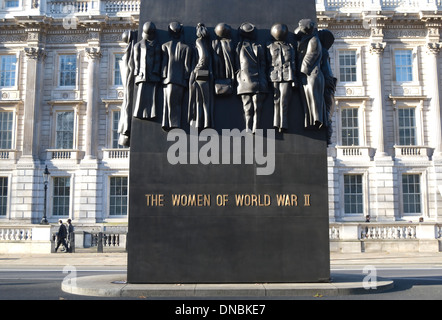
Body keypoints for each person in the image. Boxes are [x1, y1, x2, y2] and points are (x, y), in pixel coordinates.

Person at [236, 22, 268, 133]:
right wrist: (238, 76)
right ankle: (248, 127)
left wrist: (263, 77)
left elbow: (263, 63)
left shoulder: (258, 47)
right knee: (247, 106)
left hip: (259, 80)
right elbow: (235, 64)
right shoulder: (239, 47)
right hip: (245, 81)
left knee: (257, 106)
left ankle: (255, 127)